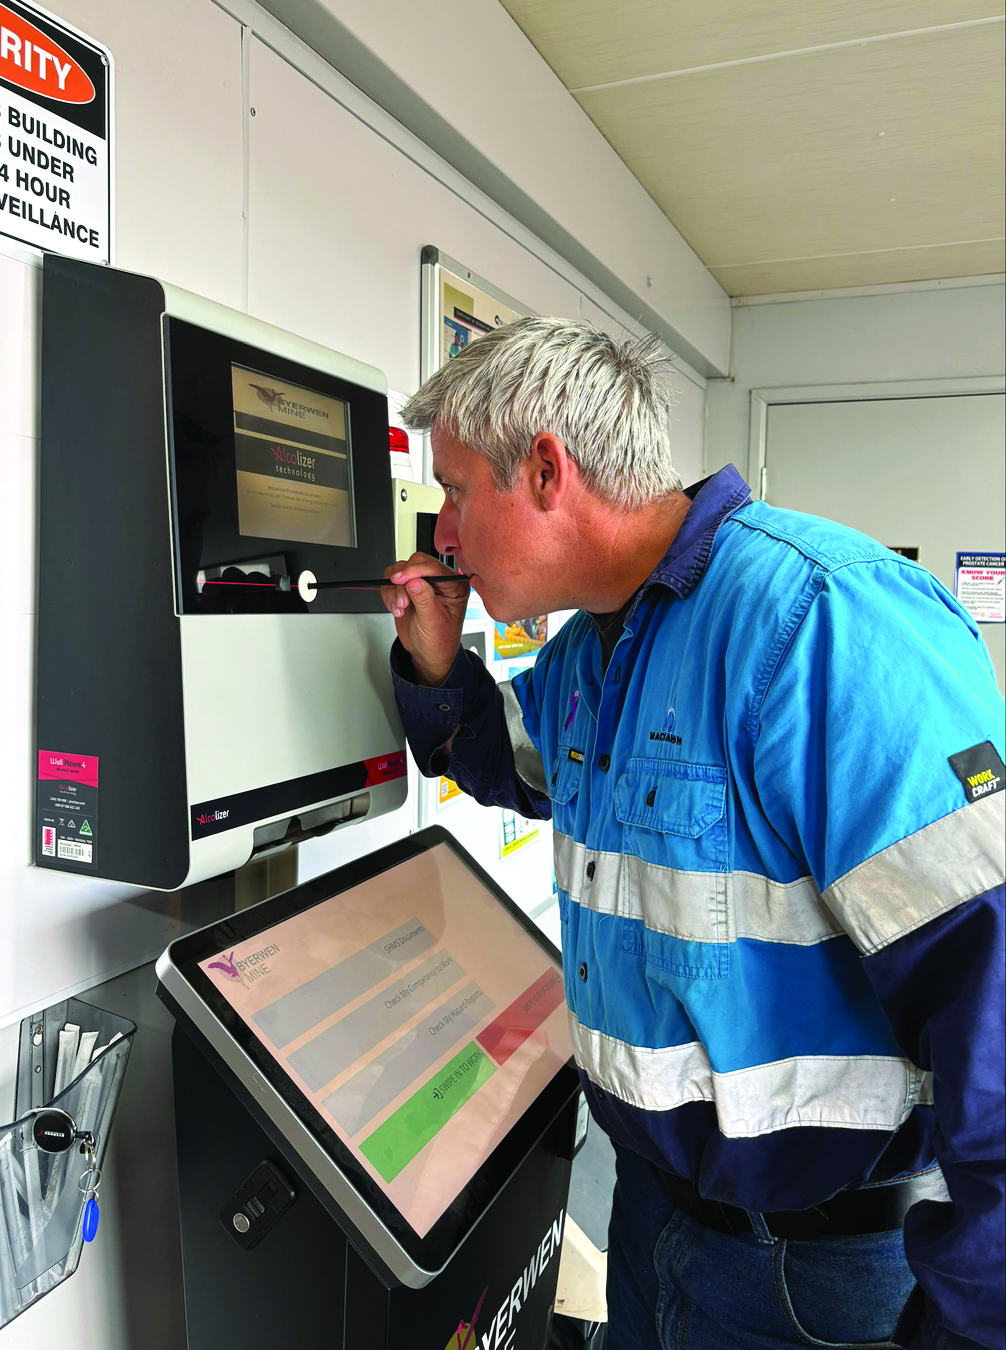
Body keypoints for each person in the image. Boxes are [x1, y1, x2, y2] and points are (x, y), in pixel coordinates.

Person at [381, 317, 1004, 1350]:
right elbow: (516, 769)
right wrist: (437, 665)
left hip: (816, 1279)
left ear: (546, 471)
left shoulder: (824, 620)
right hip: (653, 1220)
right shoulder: (588, 654)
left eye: (454, 491)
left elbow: (993, 984)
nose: (442, 535)